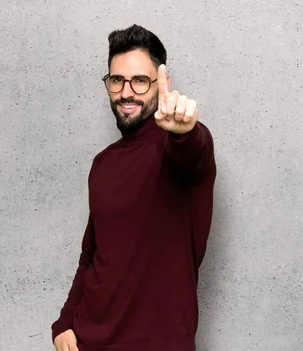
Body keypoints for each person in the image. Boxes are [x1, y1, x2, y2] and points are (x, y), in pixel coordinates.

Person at [51, 24, 217, 351]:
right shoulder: (103, 164)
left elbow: (193, 153)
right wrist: (65, 322)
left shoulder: (181, 147)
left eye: (140, 80)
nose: (127, 92)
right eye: (117, 80)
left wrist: (185, 131)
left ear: (159, 84)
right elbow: (92, 256)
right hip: (89, 340)